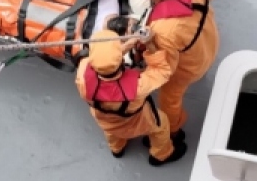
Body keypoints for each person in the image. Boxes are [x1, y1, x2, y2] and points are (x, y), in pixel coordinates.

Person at [124, 0, 218, 142]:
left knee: (169, 99)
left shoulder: (164, 30)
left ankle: (173, 131)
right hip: (209, 40)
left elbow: (166, 68)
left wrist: (142, 47)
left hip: (190, 67)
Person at [75, 29, 187, 166]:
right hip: (137, 123)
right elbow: (162, 70)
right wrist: (150, 44)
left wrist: (130, 43)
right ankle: (162, 155)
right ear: (120, 60)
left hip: (106, 123)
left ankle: (117, 149)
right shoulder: (138, 87)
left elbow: (103, 62)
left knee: (111, 133)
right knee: (162, 123)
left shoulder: (82, 76)